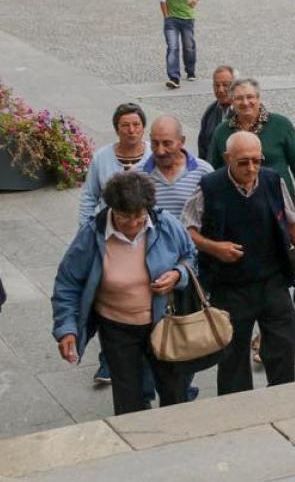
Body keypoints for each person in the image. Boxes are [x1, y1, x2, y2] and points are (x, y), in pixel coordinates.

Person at [52, 172, 195, 415]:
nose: (132, 224)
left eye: (139, 216)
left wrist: (178, 275)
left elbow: (190, 256)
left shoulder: (165, 224)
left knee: (174, 389)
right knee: (129, 397)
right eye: (123, 217)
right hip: (117, 328)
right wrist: (66, 328)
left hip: (163, 324)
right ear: (111, 209)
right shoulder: (91, 234)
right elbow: (67, 283)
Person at [182, 132, 295, 395]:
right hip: (230, 287)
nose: (251, 168)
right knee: (232, 357)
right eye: (243, 162)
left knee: (284, 345)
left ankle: (283, 398)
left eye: (256, 160)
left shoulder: (273, 180)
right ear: (228, 158)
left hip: (272, 281)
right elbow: (188, 230)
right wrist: (215, 248)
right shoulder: (210, 186)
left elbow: (293, 221)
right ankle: (238, 410)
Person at [77, 102, 151, 389]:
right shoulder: (102, 158)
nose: (131, 130)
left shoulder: (150, 156)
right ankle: (108, 356)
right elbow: (89, 196)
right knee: (106, 291)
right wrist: (85, 230)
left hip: (141, 236)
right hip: (107, 236)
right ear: (116, 128)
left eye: (136, 125)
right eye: (125, 125)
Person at [143, 114, 212, 402]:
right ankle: (170, 387)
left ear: (182, 143)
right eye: (155, 143)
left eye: (167, 143)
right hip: (153, 271)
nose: (160, 151)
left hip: (191, 269)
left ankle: (180, 385)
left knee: (186, 330)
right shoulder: (140, 175)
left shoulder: (203, 172)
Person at [208, 78, 295, 231]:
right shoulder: (222, 131)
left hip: (278, 203)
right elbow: (212, 169)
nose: (245, 102)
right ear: (232, 102)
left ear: (258, 98)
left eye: (250, 97)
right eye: (239, 98)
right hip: (237, 205)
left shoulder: (281, 124)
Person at [158, 0, 201, 89]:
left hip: (187, 18)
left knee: (188, 47)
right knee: (172, 47)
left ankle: (190, 70)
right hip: (171, 19)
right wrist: (166, 15)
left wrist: (194, 0)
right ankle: (174, 78)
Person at [198, 66, 236, 161]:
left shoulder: (243, 112)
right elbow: (202, 147)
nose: (220, 90)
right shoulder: (210, 111)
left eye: (225, 85)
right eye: (216, 85)